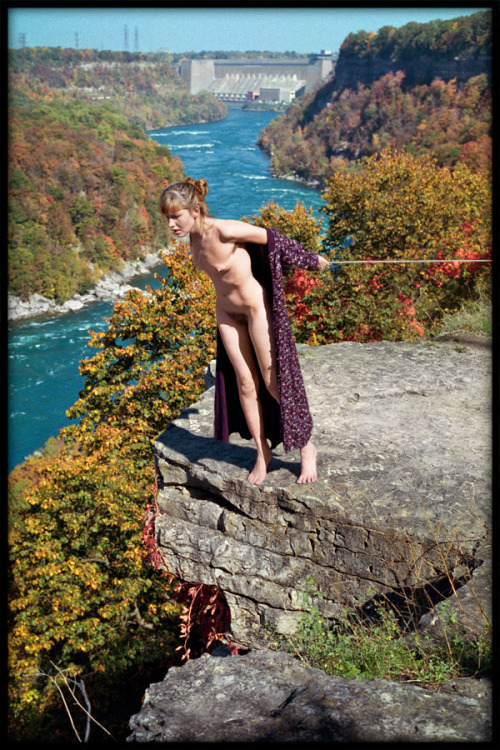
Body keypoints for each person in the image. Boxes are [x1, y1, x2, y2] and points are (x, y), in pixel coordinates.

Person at [159, 177, 330, 485]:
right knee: (245, 384)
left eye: (176, 216)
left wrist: (310, 260)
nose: (171, 224)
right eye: (167, 218)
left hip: (255, 309)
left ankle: (306, 448)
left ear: (195, 210)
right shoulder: (193, 241)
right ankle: (262, 453)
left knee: (272, 382)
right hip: (226, 314)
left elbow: (272, 238)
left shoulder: (224, 230)